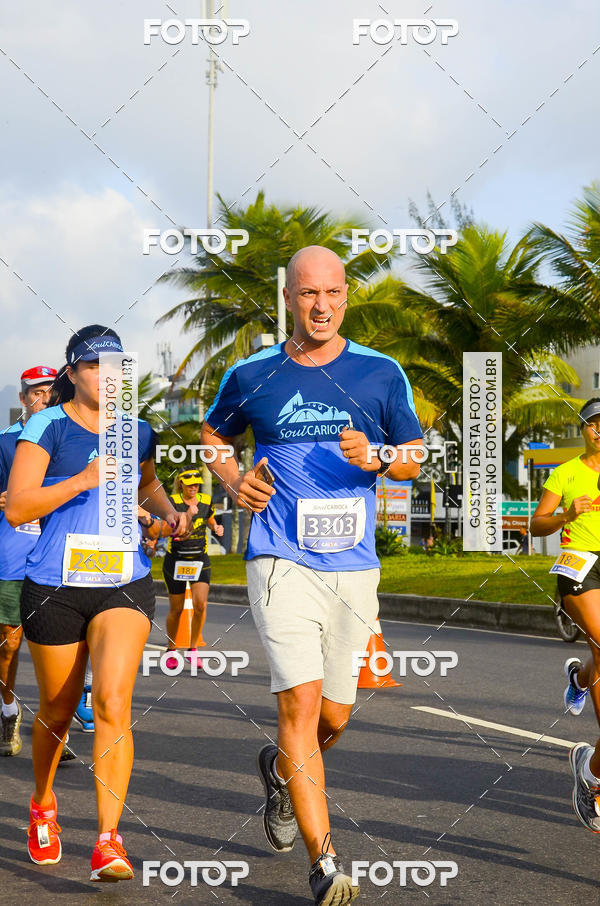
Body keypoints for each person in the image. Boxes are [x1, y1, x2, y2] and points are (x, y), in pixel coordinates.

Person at [201, 245, 422, 905]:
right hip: (279, 559)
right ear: (288, 299)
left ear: (346, 296)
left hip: (353, 567)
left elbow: (412, 456)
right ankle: (326, 864)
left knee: (335, 714)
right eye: (307, 295)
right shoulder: (253, 373)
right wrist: (235, 481)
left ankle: (281, 771)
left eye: (331, 293)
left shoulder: (380, 373)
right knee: (298, 705)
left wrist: (379, 453)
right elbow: (214, 437)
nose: (320, 306)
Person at [5, 325, 189, 880]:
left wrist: (169, 512)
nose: (105, 378)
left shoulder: (137, 431)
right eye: (92, 367)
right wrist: (83, 479)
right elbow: (18, 508)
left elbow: (145, 484)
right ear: (72, 372)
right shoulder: (47, 425)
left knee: (111, 701)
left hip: (121, 581)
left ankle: (109, 839)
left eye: (115, 368)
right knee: (58, 711)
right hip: (55, 585)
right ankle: (42, 802)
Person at [531, 397, 600, 833]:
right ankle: (592, 775)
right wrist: (565, 514)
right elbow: (535, 524)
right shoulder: (567, 473)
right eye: (595, 424)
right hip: (581, 566)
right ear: (585, 430)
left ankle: (578, 680)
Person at [0, 366, 56, 756]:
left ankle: (56, 726)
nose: (45, 397)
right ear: (23, 399)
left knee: (58, 643)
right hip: (13, 556)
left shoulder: (70, 435)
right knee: (9, 644)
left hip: (58, 556)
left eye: (51, 391)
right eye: (37, 392)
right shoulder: (5, 442)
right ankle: (7, 710)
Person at [161, 469, 224, 668]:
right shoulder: (171, 502)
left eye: (197, 484)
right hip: (176, 560)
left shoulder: (205, 500)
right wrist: (188, 514)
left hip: (199, 559)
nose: (194, 488)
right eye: (190, 485)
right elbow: (174, 529)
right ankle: (171, 649)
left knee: (201, 605)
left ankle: (193, 649)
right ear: (181, 485)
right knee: (177, 609)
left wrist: (215, 527)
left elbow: (210, 518)